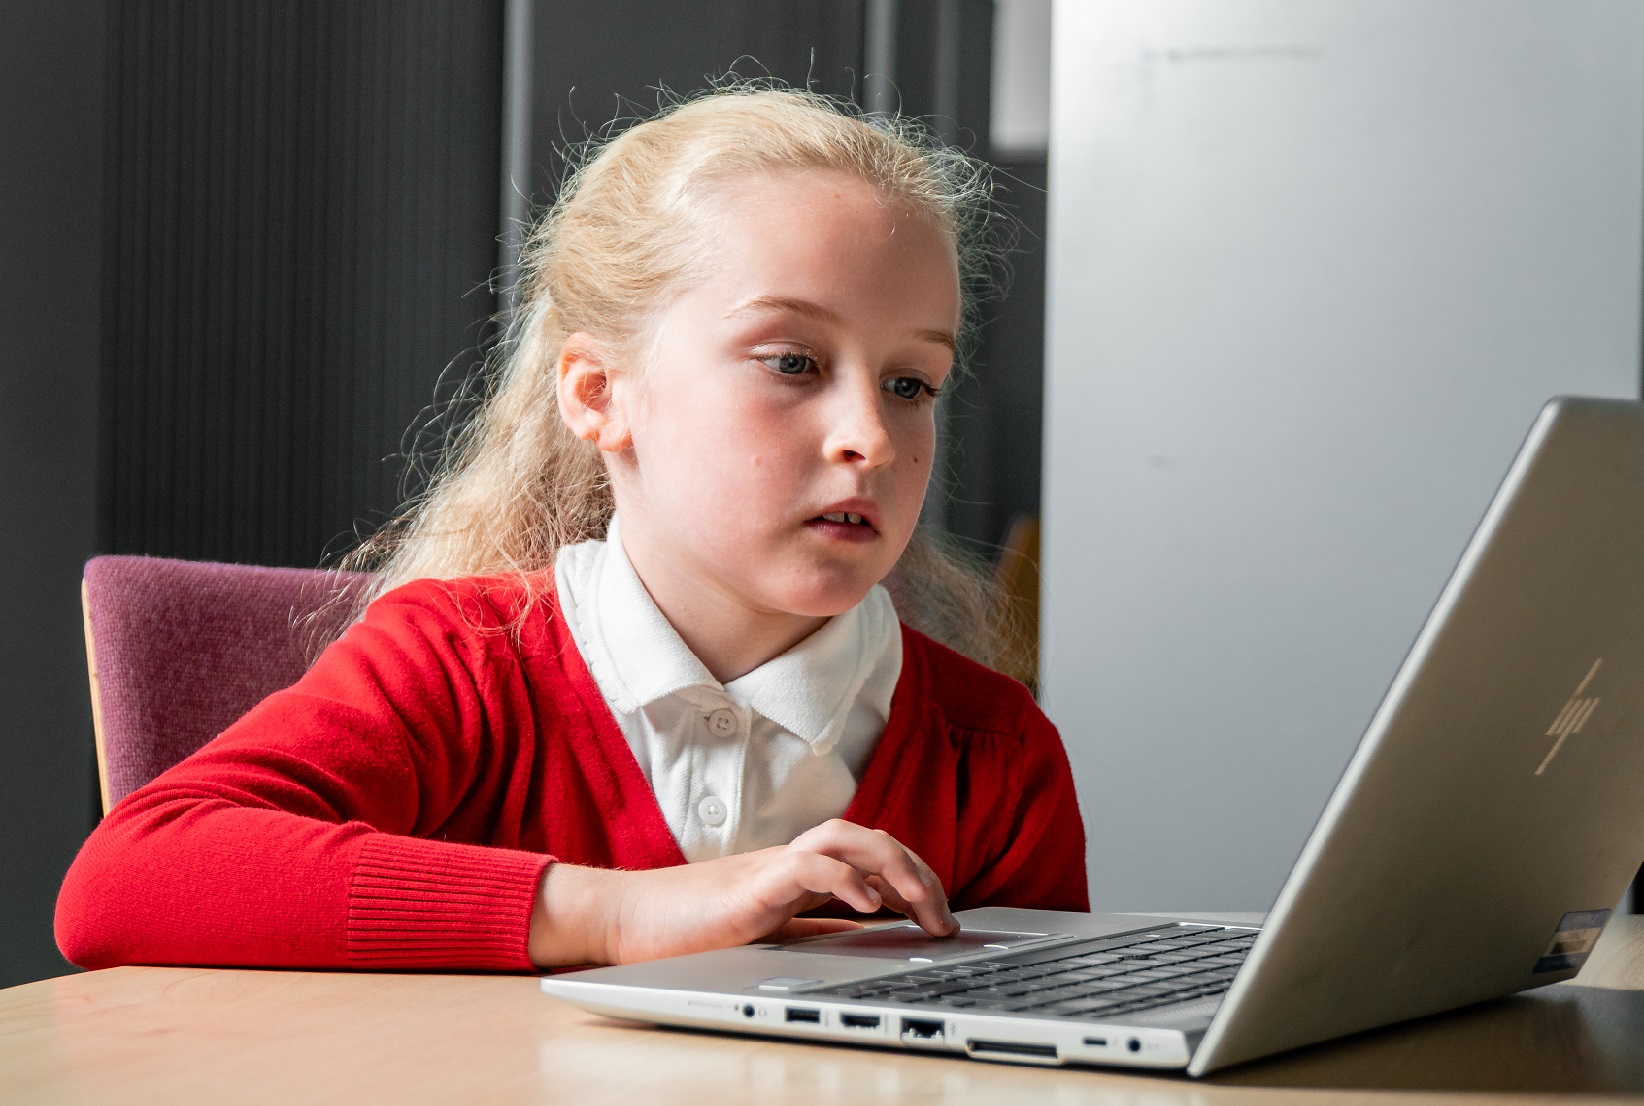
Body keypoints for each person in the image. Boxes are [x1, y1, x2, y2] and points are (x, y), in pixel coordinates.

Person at [56, 86, 1087, 972]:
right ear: (600, 394)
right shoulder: (460, 664)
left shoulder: (994, 755)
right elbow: (126, 878)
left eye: (912, 382)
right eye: (793, 363)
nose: (870, 434)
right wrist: (623, 910)